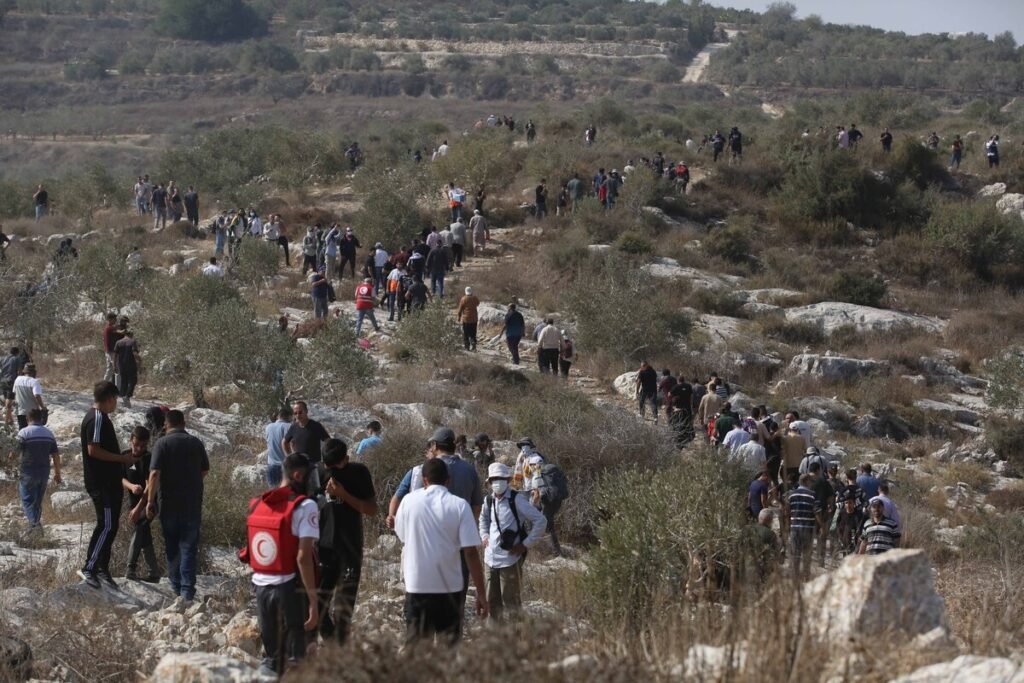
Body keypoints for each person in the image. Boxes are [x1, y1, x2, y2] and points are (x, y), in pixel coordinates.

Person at [395, 458, 488, 642]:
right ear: (448, 480)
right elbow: (470, 552)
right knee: (448, 651)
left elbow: (403, 536)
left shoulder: (408, 501)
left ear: (424, 479)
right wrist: (481, 593)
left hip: (417, 587)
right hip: (450, 590)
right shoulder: (460, 505)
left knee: (418, 651)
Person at [247, 453, 320, 677]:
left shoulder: (256, 503)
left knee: (272, 658)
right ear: (298, 475)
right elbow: (302, 558)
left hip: (260, 588)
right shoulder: (305, 506)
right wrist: (314, 602)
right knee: (298, 659)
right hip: (289, 589)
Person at [318, 439, 377, 644]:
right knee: (316, 606)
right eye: (327, 465)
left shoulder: (359, 472)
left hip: (350, 548)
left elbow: (371, 509)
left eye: (335, 465)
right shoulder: (316, 473)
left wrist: (343, 494)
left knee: (343, 611)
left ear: (346, 459)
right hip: (322, 548)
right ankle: (333, 643)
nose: (330, 470)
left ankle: (340, 655)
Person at [145, 410, 209, 601]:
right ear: (184, 423)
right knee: (189, 547)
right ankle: (187, 591)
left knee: (172, 545)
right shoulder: (196, 443)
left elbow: (155, 473)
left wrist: (150, 501)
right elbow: (205, 470)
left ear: (166, 424)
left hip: (169, 503)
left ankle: (176, 586)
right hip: (192, 503)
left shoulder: (162, 443)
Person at [79, 380, 136, 590]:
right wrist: (122, 460)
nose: (116, 404)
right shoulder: (96, 419)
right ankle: (90, 567)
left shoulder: (101, 418)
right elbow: (93, 450)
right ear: (110, 398)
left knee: (111, 526)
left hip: (109, 483)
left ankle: (102, 568)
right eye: (115, 400)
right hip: (101, 483)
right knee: (107, 525)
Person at [479, 462, 546, 620]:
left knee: (511, 602)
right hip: (490, 558)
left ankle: (515, 639)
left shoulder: (516, 500)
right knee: (492, 601)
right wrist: (484, 536)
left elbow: (540, 521)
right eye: (493, 479)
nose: (497, 482)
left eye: (500, 478)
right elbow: (483, 519)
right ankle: (495, 638)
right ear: (489, 482)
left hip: (509, 560)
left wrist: (525, 544)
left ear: (507, 480)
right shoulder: (489, 500)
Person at [120, 426, 160, 582]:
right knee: (144, 534)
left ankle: (130, 568)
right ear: (131, 441)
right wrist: (131, 487)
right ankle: (154, 572)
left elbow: (149, 485)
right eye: (136, 445)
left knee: (140, 527)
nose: (138, 449)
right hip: (133, 502)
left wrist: (139, 508)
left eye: (143, 446)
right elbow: (121, 478)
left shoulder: (148, 458)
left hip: (150, 503)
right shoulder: (124, 456)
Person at [16, 407, 60, 530]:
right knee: (37, 501)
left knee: (28, 499)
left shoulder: (23, 433)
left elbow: (13, 453)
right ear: (41, 418)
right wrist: (57, 473)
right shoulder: (49, 434)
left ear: (27, 418)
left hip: (28, 471)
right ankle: (35, 526)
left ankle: (35, 525)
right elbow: (56, 455)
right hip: (44, 472)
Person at [283, 401, 331, 493]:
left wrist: (327, 458)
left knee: (316, 492)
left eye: (300, 412)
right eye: (295, 413)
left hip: (314, 466)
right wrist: (289, 457)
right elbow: (284, 442)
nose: (298, 415)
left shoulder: (315, 426)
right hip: (299, 468)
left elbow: (328, 441)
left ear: (306, 411)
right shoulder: (294, 427)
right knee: (300, 493)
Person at [786, 473, 821, 580]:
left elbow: (786, 512)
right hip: (808, 529)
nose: (811, 484)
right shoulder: (812, 495)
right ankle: (806, 577)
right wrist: (821, 526)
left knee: (795, 554)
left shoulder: (791, 495)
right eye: (811, 482)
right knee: (806, 555)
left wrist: (787, 526)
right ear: (806, 481)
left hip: (794, 528)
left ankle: (795, 577)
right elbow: (817, 513)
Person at [264, 406, 293, 488]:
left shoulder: (268, 427)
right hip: (285, 466)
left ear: (278, 416)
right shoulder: (288, 426)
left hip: (271, 465)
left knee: (273, 493)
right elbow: (291, 443)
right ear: (289, 416)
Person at [111, 331, 140, 408]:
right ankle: (127, 396)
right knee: (133, 381)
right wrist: (140, 360)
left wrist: (114, 365)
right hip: (131, 365)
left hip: (122, 365)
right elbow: (134, 353)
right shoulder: (132, 341)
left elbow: (115, 355)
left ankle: (124, 400)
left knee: (124, 382)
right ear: (131, 334)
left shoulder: (118, 342)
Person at [1, 347, 28, 426]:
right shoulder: (17, 359)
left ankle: (11, 420)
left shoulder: (2, 358)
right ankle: (6, 421)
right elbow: (19, 370)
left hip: (2, 381)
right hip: (11, 381)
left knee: (7, 400)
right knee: (9, 402)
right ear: (17, 353)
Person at [13, 364, 44, 430]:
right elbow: (37, 395)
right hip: (32, 412)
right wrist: (42, 407)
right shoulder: (34, 381)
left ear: (24, 371)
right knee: (34, 429)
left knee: (22, 429)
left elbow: (15, 393)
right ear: (33, 372)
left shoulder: (17, 379)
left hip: (20, 410)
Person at [835, 490, 865, 557]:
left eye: (850, 503)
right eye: (846, 503)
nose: (848, 505)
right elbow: (837, 526)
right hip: (843, 542)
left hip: (855, 543)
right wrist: (840, 537)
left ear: (854, 503)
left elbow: (860, 530)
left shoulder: (858, 515)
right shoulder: (841, 513)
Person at [457, 287, 480, 351]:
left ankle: (467, 347)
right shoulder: (475, 298)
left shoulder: (463, 299)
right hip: (474, 319)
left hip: (466, 319)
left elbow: (460, 309)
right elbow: (478, 303)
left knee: (466, 333)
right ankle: (474, 344)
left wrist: (459, 317)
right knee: (473, 332)